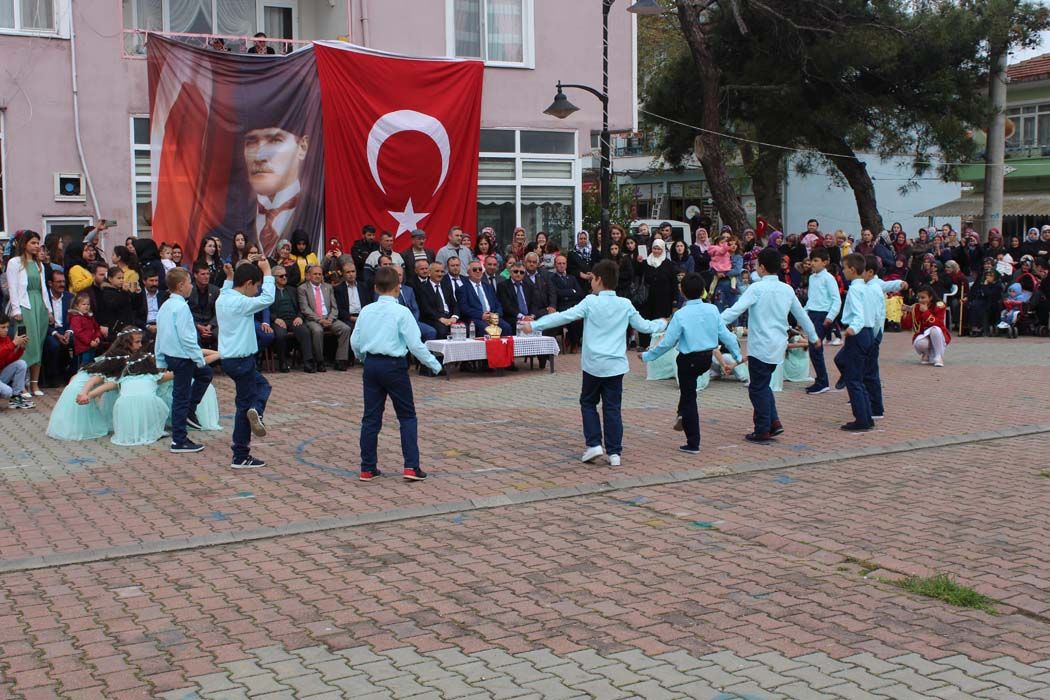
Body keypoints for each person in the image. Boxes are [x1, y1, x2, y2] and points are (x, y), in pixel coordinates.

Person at [524, 260, 667, 467]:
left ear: (599, 279)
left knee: (588, 403)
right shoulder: (625, 304)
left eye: (592, 279)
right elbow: (645, 327)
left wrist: (535, 324)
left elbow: (563, 317)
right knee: (612, 408)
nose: (591, 283)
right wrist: (662, 322)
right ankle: (615, 452)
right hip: (616, 366)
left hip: (593, 365)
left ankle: (593, 444)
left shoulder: (590, 302)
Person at [351, 266, 443, 482]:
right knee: (407, 416)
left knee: (371, 418)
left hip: (372, 364)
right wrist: (434, 364)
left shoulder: (366, 310)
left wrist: (363, 358)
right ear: (397, 288)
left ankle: (367, 467)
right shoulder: (402, 312)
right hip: (394, 366)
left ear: (375, 288)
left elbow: (355, 341)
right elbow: (415, 345)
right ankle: (411, 466)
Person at [721, 248, 820, 442]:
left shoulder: (756, 288)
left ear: (763, 268)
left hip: (760, 346)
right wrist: (814, 336)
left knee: (757, 388)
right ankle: (774, 423)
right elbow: (802, 316)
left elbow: (734, 311)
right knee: (763, 385)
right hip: (778, 346)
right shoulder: (787, 289)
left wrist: (713, 322)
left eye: (757, 264)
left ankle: (762, 429)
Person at [642, 273, 741, 454]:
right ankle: (681, 413)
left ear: (682, 291)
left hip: (688, 360)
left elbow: (668, 342)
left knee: (689, 398)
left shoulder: (680, 314)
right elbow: (726, 335)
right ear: (703, 290)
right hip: (706, 359)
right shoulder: (712, 309)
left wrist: (648, 356)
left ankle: (693, 442)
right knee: (688, 394)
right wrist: (737, 354)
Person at [216, 259, 275, 468]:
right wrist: (267, 272)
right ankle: (240, 454)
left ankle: (255, 411)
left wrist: (229, 277)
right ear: (249, 283)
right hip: (242, 360)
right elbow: (268, 298)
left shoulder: (223, 298)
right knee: (245, 406)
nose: (257, 290)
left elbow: (225, 289)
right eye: (256, 286)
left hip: (230, 360)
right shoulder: (241, 303)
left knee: (261, 387)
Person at [156, 267, 213, 453]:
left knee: (205, 374)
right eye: (189, 282)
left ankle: (189, 409)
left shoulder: (165, 305)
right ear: (181, 286)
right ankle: (179, 440)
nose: (191, 286)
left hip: (173, 356)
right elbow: (187, 338)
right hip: (183, 357)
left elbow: (160, 336)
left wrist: (160, 360)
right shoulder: (181, 307)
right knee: (180, 396)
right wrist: (199, 359)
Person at [85, 353, 173, 447]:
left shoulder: (124, 379)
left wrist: (90, 394)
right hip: (147, 404)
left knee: (134, 404)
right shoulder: (153, 377)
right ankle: (151, 430)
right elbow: (174, 374)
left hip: (125, 406)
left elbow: (106, 386)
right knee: (158, 403)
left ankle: (131, 431)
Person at [5, 230, 54, 397]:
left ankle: (35, 384)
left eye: (37, 243)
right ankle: (22, 385)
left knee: (38, 344)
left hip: (38, 305)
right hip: (25, 306)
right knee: (26, 344)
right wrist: (16, 309)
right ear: (24, 243)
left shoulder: (38, 263)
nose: (36, 246)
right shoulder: (15, 262)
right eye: (33, 243)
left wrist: (48, 310)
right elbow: (12, 287)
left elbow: (43, 289)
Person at [833, 253, 875, 431]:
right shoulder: (866, 288)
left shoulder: (855, 290)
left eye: (844, 268)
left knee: (854, 379)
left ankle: (862, 419)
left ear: (851, 269)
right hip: (868, 332)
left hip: (857, 333)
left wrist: (853, 328)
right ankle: (867, 416)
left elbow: (858, 313)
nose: (843, 272)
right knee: (855, 374)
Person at [862, 255, 905, 420]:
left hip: (873, 333)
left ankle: (876, 407)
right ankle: (861, 394)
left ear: (871, 272)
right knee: (857, 366)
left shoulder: (875, 285)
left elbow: (888, 285)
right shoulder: (862, 285)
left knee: (870, 371)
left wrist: (900, 283)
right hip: (866, 333)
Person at [297, 264, 352, 371]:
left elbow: (334, 307)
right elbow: (305, 308)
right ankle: (320, 361)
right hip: (313, 319)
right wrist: (320, 320)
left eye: (320, 274)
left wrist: (330, 319)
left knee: (345, 328)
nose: (318, 276)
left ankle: (340, 360)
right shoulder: (302, 288)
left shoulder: (328, 287)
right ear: (309, 275)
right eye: (315, 274)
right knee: (317, 331)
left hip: (329, 318)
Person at [803, 248, 841, 394]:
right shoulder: (812, 278)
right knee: (813, 349)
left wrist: (830, 317)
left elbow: (836, 300)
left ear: (825, 262)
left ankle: (823, 381)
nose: (812, 263)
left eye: (816, 260)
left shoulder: (828, 278)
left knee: (815, 347)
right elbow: (812, 299)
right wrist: (804, 314)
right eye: (811, 260)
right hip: (812, 314)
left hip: (823, 316)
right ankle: (820, 379)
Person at [639, 239, 677, 350]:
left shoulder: (668, 264)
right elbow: (638, 275)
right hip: (647, 298)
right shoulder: (646, 262)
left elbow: (674, 283)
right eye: (654, 248)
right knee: (646, 320)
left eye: (659, 249)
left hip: (664, 299)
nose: (656, 251)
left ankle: (657, 344)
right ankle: (645, 344)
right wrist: (639, 262)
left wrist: (674, 300)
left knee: (660, 321)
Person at [458, 259, 509, 336]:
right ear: (468, 272)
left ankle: (503, 348)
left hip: (492, 317)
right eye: (474, 270)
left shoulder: (488, 287)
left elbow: (497, 304)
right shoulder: (462, 289)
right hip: (476, 318)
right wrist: (481, 315)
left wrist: (496, 315)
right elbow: (464, 308)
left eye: (480, 269)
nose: (478, 271)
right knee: (487, 329)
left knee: (506, 327)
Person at [43, 268, 75, 388]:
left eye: (63, 281)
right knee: (54, 345)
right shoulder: (44, 299)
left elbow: (75, 317)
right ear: (50, 283)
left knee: (77, 341)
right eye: (59, 282)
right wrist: (55, 333)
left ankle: (72, 374)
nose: (62, 284)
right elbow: (42, 321)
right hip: (50, 331)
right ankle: (52, 377)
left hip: (67, 330)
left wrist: (69, 331)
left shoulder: (69, 297)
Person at [549, 254, 585, 352]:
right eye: (559, 263)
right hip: (561, 306)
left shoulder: (572, 278)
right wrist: (572, 291)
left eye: (563, 263)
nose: (561, 265)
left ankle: (574, 341)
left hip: (574, 305)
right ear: (555, 265)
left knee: (581, 317)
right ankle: (573, 342)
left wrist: (567, 293)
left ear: (566, 265)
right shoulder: (551, 278)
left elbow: (580, 293)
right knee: (573, 317)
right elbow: (556, 293)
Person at [417, 261, 459, 341]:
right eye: (437, 271)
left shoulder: (446, 286)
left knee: (464, 328)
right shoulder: (422, 288)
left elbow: (455, 304)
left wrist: (454, 317)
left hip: (449, 318)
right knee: (442, 330)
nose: (440, 274)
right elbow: (426, 309)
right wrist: (441, 319)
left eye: (442, 271)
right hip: (434, 319)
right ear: (429, 272)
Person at [909, 286, 951, 365]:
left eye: (923, 297)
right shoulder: (917, 307)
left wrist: (926, 312)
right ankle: (926, 353)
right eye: (919, 297)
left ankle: (939, 356)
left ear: (931, 297)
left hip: (938, 334)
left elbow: (938, 323)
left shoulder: (939, 306)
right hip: (923, 334)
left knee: (934, 329)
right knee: (921, 343)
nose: (920, 300)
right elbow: (917, 327)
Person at [0, 315, 32, 409]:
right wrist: (13, 344)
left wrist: (20, 348)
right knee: (7, 392)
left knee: (21, 364)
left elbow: (8, 360)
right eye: (3, 327)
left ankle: (16, 397)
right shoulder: (9, 341)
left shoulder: (6, 339)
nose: (6, 330)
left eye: (7, 327)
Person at [188, 262, 221, 347]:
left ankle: (218, 359)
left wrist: (210, 326)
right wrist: (198, 326)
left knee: (220, 335)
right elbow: (186, 314)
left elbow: (219, 312)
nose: (206, 277)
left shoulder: (215, 290)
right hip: (194, 324)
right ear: (195, 275)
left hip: (211, 324)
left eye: (208, 274)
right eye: (203, 274)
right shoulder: (188, 290)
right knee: (193, 337)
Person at [68, 293, 102, 366]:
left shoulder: (90, 317)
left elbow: (97, 328)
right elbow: (79, 333)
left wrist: (97, 337)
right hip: (82, 349)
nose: (86, 306)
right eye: (84, 304)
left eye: (88, 304)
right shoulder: (76, 318)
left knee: (91, 364)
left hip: (92, 346)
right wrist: (89, 342)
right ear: (77, 306)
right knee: (83, 366)